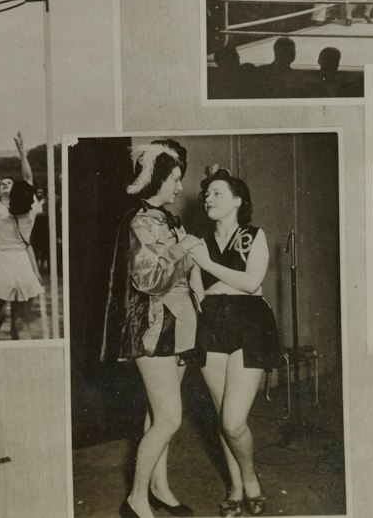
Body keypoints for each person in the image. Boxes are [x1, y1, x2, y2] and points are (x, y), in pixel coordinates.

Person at [100, 139, 203, 518]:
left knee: (158, 414)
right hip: (155, 328)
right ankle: (136, 500)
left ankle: (159, 487)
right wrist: (185, 251)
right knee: (170, 418)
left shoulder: (164, 219)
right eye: (174, 179)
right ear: (155, 180)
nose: (179, 187)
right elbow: (149, 280)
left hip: (179, 328)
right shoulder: (141, 221)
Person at [188, 168, 280, 517]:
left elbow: (252, 281)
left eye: (217, 193)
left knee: (233, 421)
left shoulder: (252, 236)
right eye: (207, 194)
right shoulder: (198, 241)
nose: (209, 199)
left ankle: (251, 480)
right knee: (221, 413)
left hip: (249, 324)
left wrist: (209, 266)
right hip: (211, 325)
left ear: (238, 200)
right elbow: (198, 292)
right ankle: (237, 488)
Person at [0, 133, 44, 341]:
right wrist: (22, 152)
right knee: (21, 324)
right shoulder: (30, 212)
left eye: (8, 184)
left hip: (1, 265)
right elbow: (28, 179)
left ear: (15, 192)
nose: (4, 184)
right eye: (3, 183)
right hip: (22, 266)